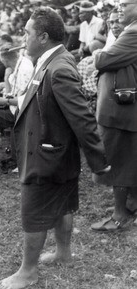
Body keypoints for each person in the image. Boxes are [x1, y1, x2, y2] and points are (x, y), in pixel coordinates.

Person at [0, 7, 110, 289]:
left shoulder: (58, 67)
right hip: (54, 152)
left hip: (46, 155)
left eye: (27, 33)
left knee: (33, 211)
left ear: (43, 37)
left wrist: (100, 164)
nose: (23, 38)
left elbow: (82, 118)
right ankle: (63, 253)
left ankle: (28, 271)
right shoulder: (51, 60)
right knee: (63, 203)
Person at [91, 0, 137, 231]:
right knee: (127, 159)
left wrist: (99, 51)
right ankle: (130, 205)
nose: (119, 8)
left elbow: (102, 60)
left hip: (121, 111)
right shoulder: (128, 32)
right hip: (122, 109)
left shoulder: (133, 32)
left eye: (124, 4)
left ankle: (120, 215)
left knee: (119, 162)